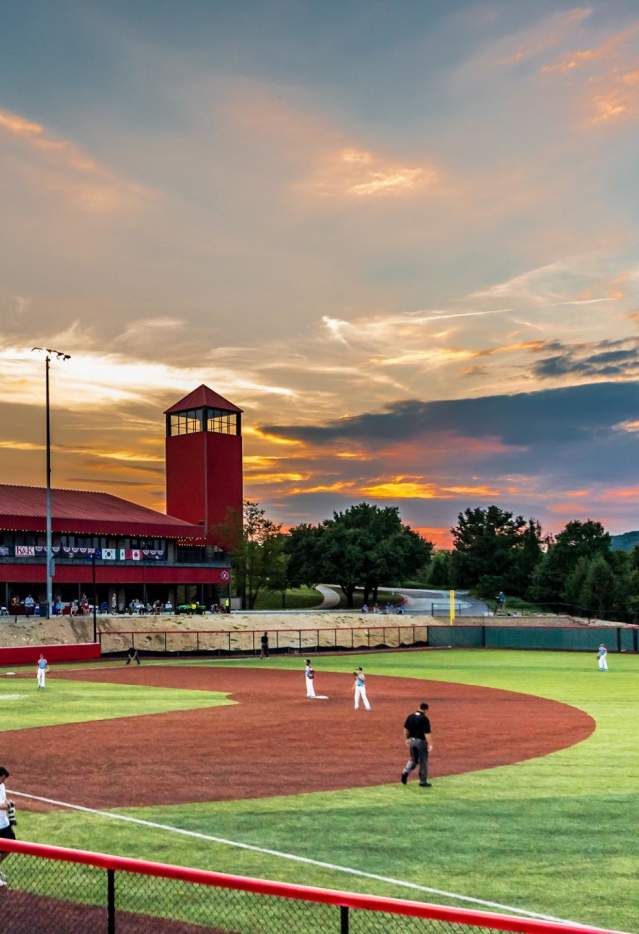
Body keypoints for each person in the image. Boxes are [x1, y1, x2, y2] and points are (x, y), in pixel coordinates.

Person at [401, 701, 433, 787]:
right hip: (421, 742)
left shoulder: (410, 716)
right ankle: (423, 781)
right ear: (426, 710)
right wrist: (430, 744)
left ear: (419, 707)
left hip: (412, 741)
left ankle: (405, 771)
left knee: (413, 759)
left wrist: (407, 738)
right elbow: (427, 733)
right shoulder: (424, 719)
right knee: (423, 761)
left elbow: (405, 729)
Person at [0, 765, 16, 886]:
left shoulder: (2, 786)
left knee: (11, 845)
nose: (4, 781)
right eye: (3, 778)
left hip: (4, 822)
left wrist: (9, 802)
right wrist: (8, 805)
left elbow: (3, 801)